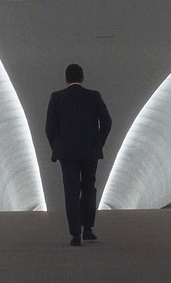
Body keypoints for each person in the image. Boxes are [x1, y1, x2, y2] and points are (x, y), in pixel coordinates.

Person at [46, 64, 112, 246]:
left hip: (67, 154)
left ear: (66, 78)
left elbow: (49, 128)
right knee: (89, 188)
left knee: (71, 191)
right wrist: (98, 143)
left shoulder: (57, 97)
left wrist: (57, 147)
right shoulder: (94, 96)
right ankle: (88, 229)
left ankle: (75, 234)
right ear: (82, 78)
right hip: (90, 152)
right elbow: (107, 122)